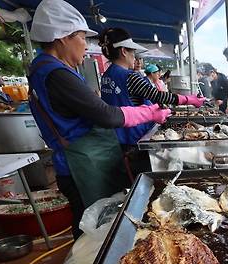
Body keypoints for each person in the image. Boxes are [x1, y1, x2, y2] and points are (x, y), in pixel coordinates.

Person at [27, 0, 171, 237]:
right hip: (81, 164)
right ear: (63, 37)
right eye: (83, 38)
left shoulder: (45, 68)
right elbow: (107, 115)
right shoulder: (56, 73)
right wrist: (150, 113)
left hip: (83, 158)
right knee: (91, 230)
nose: (86, 46)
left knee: (91, 223)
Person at [99, 28, 205, 178]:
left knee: (129, 176)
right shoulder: (129, 76)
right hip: (135, 138)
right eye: (132, 53)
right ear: (123, 51)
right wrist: (189, 99)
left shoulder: (106, 76)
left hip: (116, 138)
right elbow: (158, 96)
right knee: (144, 177)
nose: (134, 58)